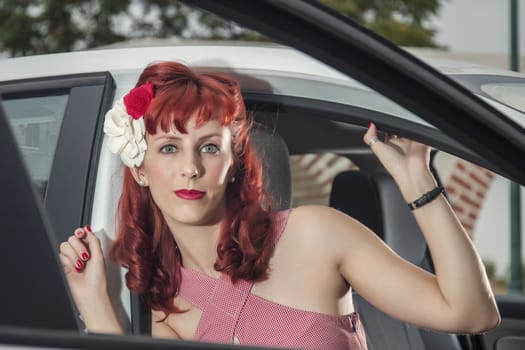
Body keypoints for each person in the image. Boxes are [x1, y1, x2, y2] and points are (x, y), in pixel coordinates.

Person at [59, 61, 500, 349]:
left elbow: (472, 313)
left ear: (233, 163)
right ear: (139, 168)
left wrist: (417, 180)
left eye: (209, 148)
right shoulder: (159, 301)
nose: (190, 168)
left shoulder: (314, 234)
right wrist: (95, 304)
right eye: (169, 149)